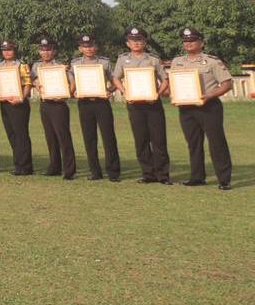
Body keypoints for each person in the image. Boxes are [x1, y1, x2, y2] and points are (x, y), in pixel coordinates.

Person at [170, 28, 234, 190]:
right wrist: (174, 96)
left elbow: (227, 84)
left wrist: (209, 95)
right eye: (185, 41)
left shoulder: (212, 61)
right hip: (186, 108)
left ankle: (224, 179)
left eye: (192, 40)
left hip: (209, 107)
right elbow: (175, 84)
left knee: (216, 142)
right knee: (193, 143)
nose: (189, 43)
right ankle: (197, 177)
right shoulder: (177, 62)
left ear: (201, 42)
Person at [111, 27, 171, 185]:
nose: (136, 43)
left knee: (159, 140)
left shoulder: (153, 59)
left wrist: (157, 94)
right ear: (128, 43)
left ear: (145, 42)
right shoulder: (122, 60)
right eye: (133, 40)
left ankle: (163, 175)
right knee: (141, 140)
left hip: (153, 104)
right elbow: (116, 78)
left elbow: (165, 79)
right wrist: (125, 92)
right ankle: (148, 174)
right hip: (135, 105)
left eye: (139, 40)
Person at [71, 34, 119, 181]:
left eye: (91, 46)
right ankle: (95, 172)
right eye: (85, 46)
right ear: (80, 48)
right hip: (85, 104)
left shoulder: (104, 62)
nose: (88, 49)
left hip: (101, 103)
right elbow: (71, 84)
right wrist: (74, 92)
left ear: (96, 47)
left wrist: (109, 91)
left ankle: (113, 172)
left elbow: (114, 80)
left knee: (108, 137)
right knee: (89, 138)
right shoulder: (75, 63)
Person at [33, 36, 76, 180]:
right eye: (43, 50)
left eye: (48, 50)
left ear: (54, 51)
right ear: (39, 51)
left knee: (63, 137)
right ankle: (54, 167)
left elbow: (72, 83)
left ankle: (69, 170)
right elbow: (33, 80)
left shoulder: (61, 66)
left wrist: (67, 95)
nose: (45, 53)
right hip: (45, 104)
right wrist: (36, 84)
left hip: (59, 105)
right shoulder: (36, 66)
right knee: (50, 137)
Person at [0, 40, 33, 176]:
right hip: (5, 103)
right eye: (4, 50)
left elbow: (28, 83)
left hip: (19, 104)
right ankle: (18, 164)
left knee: (21, 134)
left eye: (9, 50)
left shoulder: (21, 65)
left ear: (14, 51)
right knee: (11, 134)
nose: (7, 52)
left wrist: (21, 98)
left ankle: (26, 166)